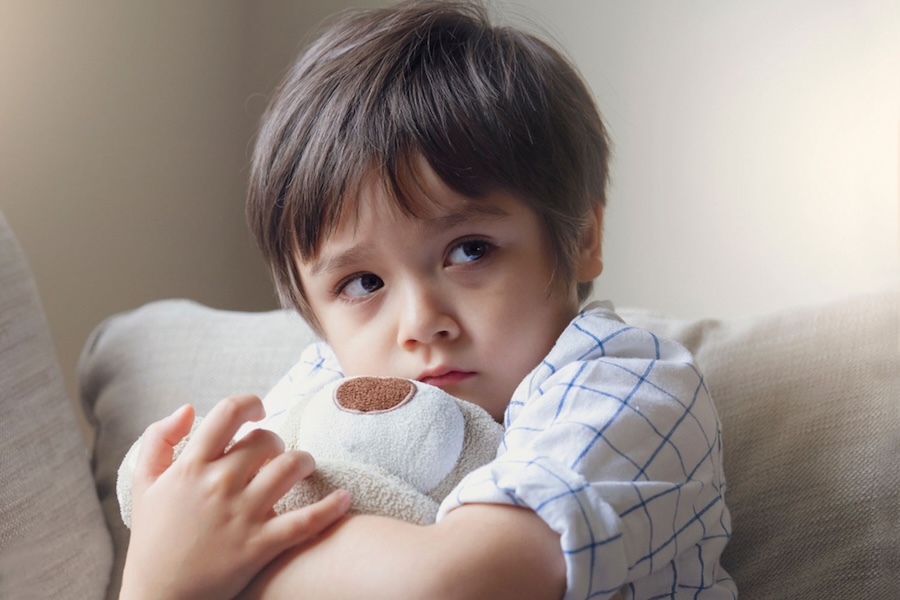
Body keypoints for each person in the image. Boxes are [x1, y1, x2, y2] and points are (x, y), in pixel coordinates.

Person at [121, 1, 736, 598]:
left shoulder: (629, 386)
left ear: (581, 239)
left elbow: (458, 582)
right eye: (363, 284)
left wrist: (186, 578)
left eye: (469, 250)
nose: (419, 324)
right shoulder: (327, 387)